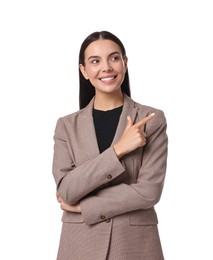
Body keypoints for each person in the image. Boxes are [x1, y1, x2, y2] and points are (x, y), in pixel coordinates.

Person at [52, 31, 168, 260]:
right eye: (95, 61)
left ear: (125, 63)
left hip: (134, 246)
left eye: (114, 58)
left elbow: (149, 191)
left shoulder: (150, 119)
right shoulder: (66, 126)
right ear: (84, 70)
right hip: (80, 244)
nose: (106, 67)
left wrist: (85, 207)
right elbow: (66, 190)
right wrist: (118, 150)